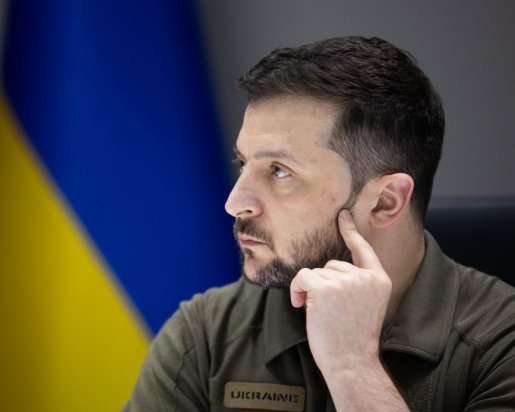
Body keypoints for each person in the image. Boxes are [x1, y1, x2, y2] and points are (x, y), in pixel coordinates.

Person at [124, 37, 515, 411]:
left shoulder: (503, 343)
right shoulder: (205, 333)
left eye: (279, 171)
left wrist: (353, 367)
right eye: (243, 163)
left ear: (385, 201)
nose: (234, 204)